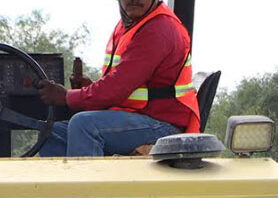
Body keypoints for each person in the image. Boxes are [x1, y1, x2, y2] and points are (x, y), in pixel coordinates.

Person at [35, 0, 201, 157]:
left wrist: (67, 96)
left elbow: (118, 86)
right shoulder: (131, 25)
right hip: (140, 117)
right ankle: (63, 186)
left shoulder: (158, 29)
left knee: (85, 125)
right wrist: (88, 89)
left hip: (164, 126)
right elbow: (124, 83)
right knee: (52, 132)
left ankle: (89, 187)